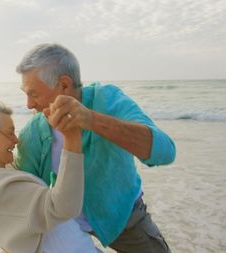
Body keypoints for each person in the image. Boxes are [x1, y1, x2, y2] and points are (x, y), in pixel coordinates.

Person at [15, 43, 176, 253]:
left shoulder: (107, 99)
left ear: (64, 85)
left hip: (122, 216)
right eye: (25, 94)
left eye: (34, 94)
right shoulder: (32, 133)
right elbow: (22, 198)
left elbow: (166, 152)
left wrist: (91, 120)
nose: (28, 104)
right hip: (66, 227)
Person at [0, 100, 100, 253]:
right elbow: (65, 206)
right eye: (9, 133)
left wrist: (39, 124)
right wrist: (72, 137)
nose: (16, 140)